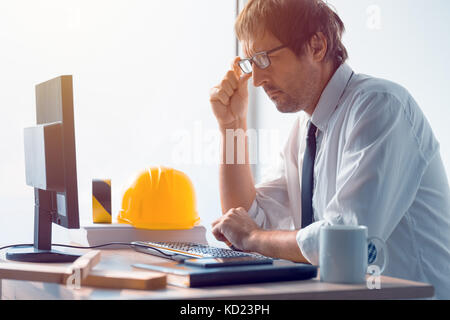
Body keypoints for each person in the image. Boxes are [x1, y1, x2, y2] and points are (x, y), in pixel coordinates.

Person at [209, 0, 450, 299]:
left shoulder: (380, 106)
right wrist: (232, 125)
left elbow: (344, 242)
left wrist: (254, 236)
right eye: (251, 64)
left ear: (317, 46)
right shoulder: (304, 131)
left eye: (263, 59)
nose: (256, 81)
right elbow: (244, 221)